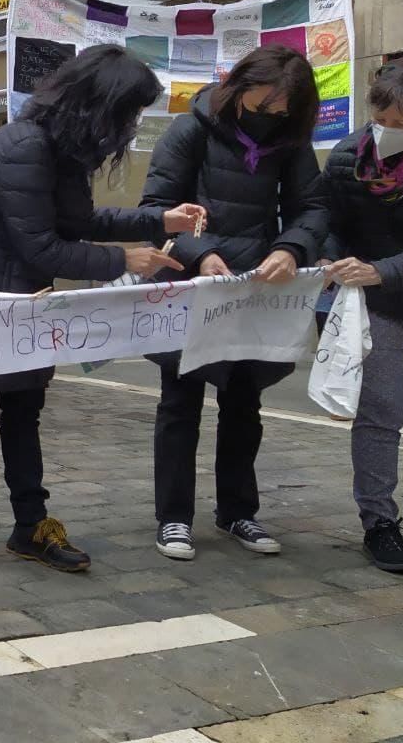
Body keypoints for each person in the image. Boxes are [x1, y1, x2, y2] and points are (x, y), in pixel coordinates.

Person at [0, 45, 205, 577]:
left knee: (25, 409)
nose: (133, 124)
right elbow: (43, 247)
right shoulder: (28, 145)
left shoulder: (60, 146)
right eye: (131, 112)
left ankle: (30, 525)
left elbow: (80, 219)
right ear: (103, 104)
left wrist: (160, 221)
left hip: (24, 294)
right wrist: (125, 258)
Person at [142, 44, 327, 562]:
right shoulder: (192, 128)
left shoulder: (291, 141)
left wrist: (291, 248)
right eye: (260, 104)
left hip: (255, 289)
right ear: (238, 87)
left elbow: (309, 207)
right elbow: (155, 208)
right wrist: (200, 254)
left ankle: (238, 512)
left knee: (244, 404)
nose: (269, 116)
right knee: (179, 403)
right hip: (193, 282)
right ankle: (174, 518)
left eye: (280, 109)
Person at [322, 59, 403, 572]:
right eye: (384, 120)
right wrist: (329, 257)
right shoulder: (346, 157)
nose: (390, 132)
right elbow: (329, 220)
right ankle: (379, 522)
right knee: (381, 413)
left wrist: (382, 269)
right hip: (375, 305)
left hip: (386, 278)